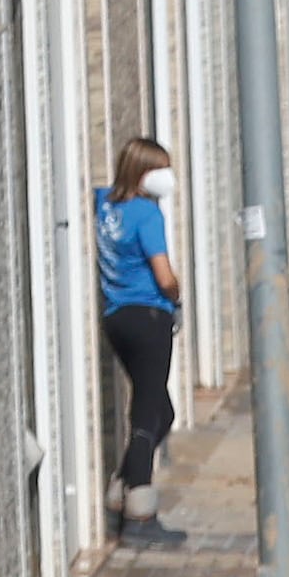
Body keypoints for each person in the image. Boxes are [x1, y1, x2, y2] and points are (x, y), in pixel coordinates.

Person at [94, 136, 182, 542]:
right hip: (149, 317)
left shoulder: (104, 205)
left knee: (162, 410)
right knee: (148, 412)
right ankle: (141, 514)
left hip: (116, 320)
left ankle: (119, 491)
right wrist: (176, 294)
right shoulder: (147, 214)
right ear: (144, 173)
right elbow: (163, 275)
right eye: (161, 169)